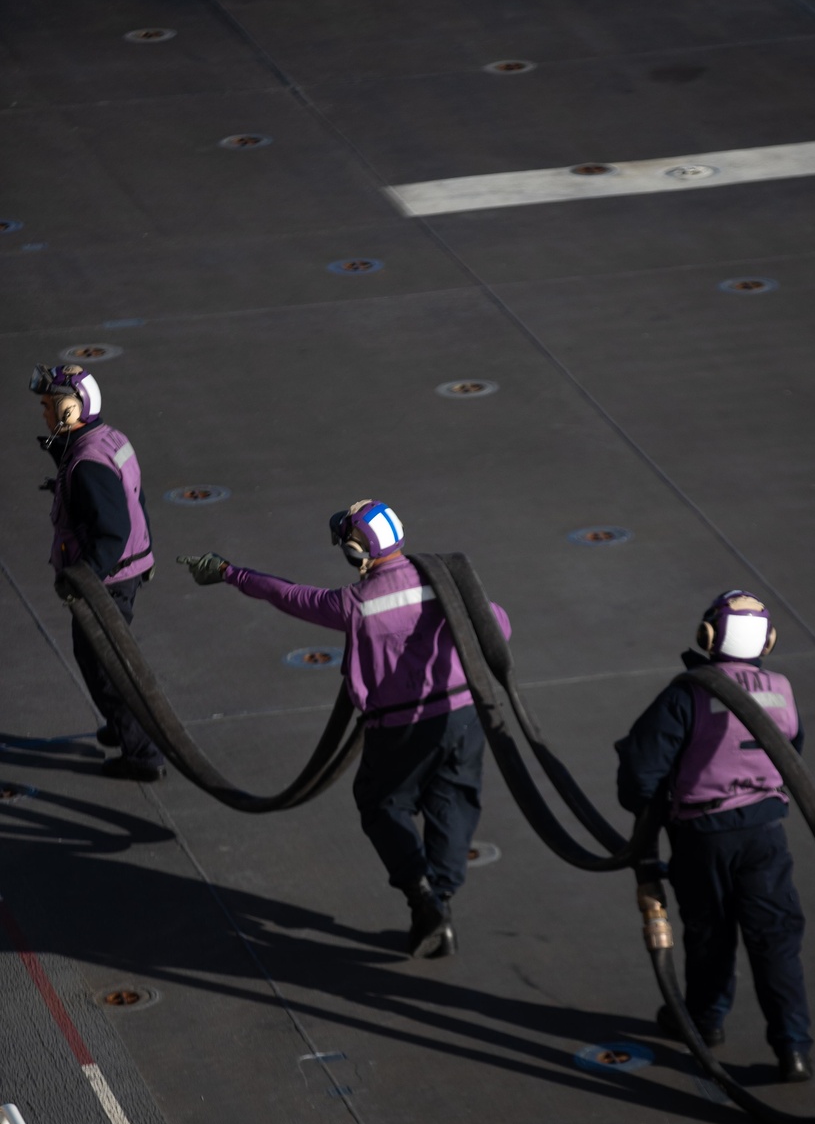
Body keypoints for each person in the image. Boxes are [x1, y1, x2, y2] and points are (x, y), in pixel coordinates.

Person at [179, 500, 510, 958]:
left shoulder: (356, 604)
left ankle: (422, 898)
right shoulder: (444, 580)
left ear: (358, 554)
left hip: (400, 727)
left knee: (380, 803)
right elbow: (499, 627)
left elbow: (286, 595)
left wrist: (229, 572)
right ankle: (442, 901)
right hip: (465, 716)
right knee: (453, 798)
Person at [615, 590, 813, 1082]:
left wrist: (648, 815)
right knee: (775, 940)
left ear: (707, 636)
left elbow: (641, 771)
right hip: (765, 832)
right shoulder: (781, 689)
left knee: (709, 933)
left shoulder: (688, 693)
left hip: (702, 833)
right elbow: (794, 752)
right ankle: (794, 1048)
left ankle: (705, 1021)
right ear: (768, 640)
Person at [30, 363, 166, 782]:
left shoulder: (87, 462)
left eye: (50, 405)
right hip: (127, 569)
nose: (44, 413)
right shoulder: (110, 439)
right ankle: (122, 722)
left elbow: (111, 529)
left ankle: (141, 754)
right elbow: (135, 497)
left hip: (106, 580)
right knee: (112, 656)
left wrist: (82, 578)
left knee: (102, 664)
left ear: (72, 410)